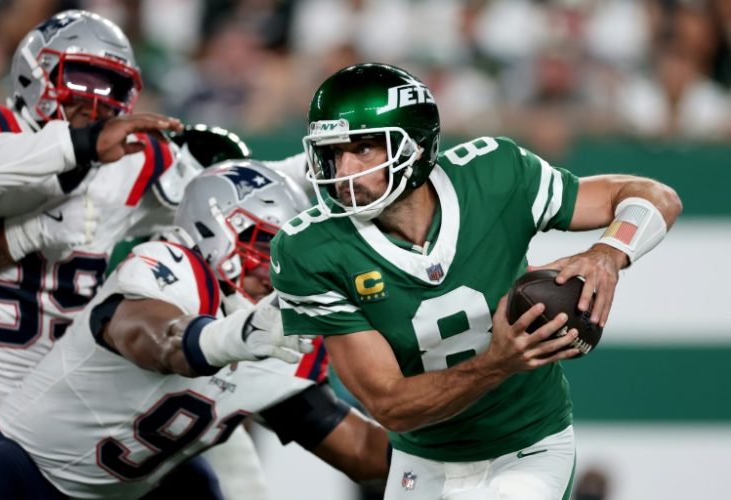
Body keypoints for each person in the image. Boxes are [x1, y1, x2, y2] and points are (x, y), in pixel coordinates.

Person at [270, 63, 683, 500]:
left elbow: (656, 196)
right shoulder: (308, 249)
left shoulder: (494, 175)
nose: (343, 168)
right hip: (421, 460)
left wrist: (608, 254)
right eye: (333, 151)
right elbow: (389, 404)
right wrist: (498, 361)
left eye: (365, 149)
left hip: (528, 446)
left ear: (414, 146)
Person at [0, 161, 390, 499]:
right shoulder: (173, 268)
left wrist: (449, 440)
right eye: (266, 245)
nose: (278, 268)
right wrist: (238, 338)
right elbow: (155, 341)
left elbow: (361, 452)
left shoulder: (278, 340)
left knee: (195, 487)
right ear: (214, 231)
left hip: (125, 491)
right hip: (17, 470)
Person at [0, 10, 188, 417]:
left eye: (111, 86)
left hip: (55, 403)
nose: (96, 100)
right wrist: (35, 227)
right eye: (80, 79)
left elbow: (216, 210)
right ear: (36, 72)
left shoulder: (131, 162)